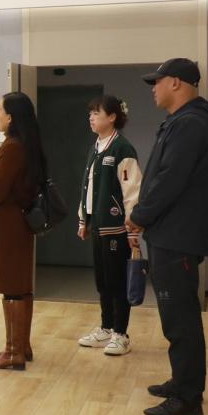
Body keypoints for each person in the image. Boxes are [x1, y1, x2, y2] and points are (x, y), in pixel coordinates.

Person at [127, 58, 208, 415]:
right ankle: (182, 382)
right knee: (175, 315)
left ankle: (187, 398)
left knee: (181, 318)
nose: (153, 88)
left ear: (177, 83)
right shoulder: (182, 121)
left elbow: (170, 179)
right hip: (171, 233)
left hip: (176, 235)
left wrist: (140, 215)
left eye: (158, 81)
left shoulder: (190, 124)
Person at [0, 92, 45, 371]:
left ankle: (14, 351)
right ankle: (20, 346)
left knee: (13, 289)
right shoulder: (24, 144)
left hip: (7, 227)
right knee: (19, 287)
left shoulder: (13, 147)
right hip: (15, 224)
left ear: (11, 117)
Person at [76, 95, 143, 356]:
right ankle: (105, 328)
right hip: (98, 225)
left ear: (112, 117)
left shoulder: (122, 149)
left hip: (117, 227)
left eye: (96, 113)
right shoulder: (96, 147)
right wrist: (84, 219)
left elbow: (132, 190)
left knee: (117, 282)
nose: (91, 117)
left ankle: (121, 333)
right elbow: (88, 187)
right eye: (90, 113)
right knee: (102, 281)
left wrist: (133, 229)